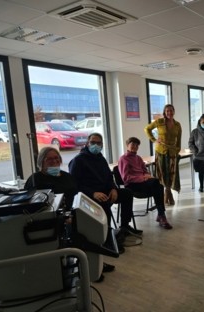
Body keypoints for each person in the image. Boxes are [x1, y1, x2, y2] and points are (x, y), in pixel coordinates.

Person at [69, 132, 141, 278]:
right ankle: (107, 239)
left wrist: (114, 188)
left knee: (126, 193)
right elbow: (75, 185)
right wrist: (93, 193)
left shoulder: (101, 159)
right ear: (87, 143)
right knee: (103, 205)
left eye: (99, 143)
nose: (96, 145)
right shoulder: (78, 161)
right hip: (90, 196)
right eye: (93, 142)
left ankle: (124, 226)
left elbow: (109, 178)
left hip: (107, 191)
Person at [118, 137, 173, 229]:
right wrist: (143, 178)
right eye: (132, 144)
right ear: (127, 145)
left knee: (158, 185)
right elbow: (126, 178)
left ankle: (161, 214)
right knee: (157, 185)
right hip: (132, 185)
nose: (135, 147)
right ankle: (161, 215)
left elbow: (145, 171)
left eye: (137, 145)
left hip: (143, 183)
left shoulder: (138, 158)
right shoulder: (123, 159)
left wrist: (147, 175)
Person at [144, 104, 182, 205]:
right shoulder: (159, 122)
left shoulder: (177, 124)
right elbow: (147, 129)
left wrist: (177, 150)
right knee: (162, 173)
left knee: (171, 173)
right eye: (167, 111)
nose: (169, 113)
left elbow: (179, 140)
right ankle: (168, 193)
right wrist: (154, 140)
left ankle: (167, 191)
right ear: (164, 112)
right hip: (161, 151)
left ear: (174, 111)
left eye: (171, 110)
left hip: (172, 152)